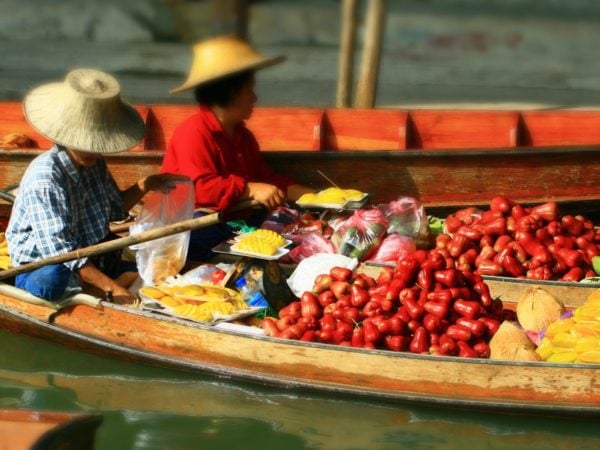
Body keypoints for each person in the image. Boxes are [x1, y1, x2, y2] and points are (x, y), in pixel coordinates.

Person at [6, 68, 188, 303]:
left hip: (90, 254)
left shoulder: (95, 163)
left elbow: (115, 208)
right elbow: (61, 253)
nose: (94, 149)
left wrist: (145, 185)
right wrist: (114, 289)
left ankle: (97, 284)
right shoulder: (46, 178)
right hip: (45, 264)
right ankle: (97, 288)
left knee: (152, 261)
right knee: (52, 279)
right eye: (86, 143)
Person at [161, 35, 315, 260]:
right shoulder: (192, 131)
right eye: (249, 89)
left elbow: (267, 180)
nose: (254, 97)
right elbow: (199, 188)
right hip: (195, 224)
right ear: (231, 92)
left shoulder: (243, 135)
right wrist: (249, 189)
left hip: (237, 221)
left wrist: (316, 197)